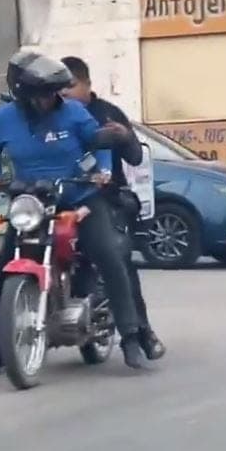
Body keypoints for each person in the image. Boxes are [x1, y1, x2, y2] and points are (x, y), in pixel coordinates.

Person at [0, 51, 146, 374]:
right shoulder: (2, 119)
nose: (47, 100)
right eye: (40, 95)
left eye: (51, 93)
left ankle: (131, 337)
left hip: (79, 196)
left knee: (108, 254)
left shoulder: (74, 113)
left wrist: (104, 171)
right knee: (4, 268)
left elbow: (100, 143)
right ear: (22, 94)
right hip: (32, 200)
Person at [60, 55, 166, 361]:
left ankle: (138, 334)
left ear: (87, 84)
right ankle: (0, 341)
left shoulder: (107, 113)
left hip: (107, 197)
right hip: (61, 197)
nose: (64, 93)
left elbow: (134, 158)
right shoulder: (55, 115)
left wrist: (123, 137)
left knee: (118, 259)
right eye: (59, 87)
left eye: (70, 86)